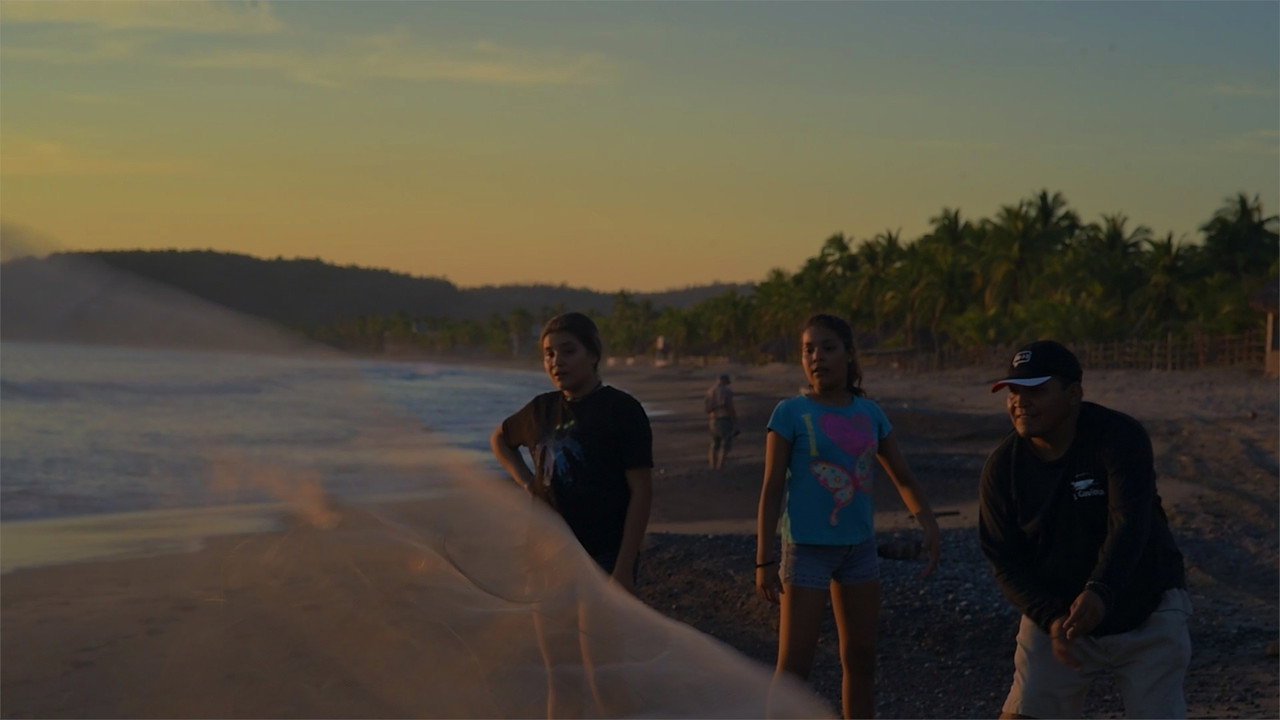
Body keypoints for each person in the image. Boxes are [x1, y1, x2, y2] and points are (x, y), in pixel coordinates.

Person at [979, 340, 1191, 719]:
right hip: (1059, 618)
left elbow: (1129, 522)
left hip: (1146, 606)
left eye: (1036, 391)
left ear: (1074, 393)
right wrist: (1051, 616)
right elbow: (1003, 560)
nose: (1020, 402)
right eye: (1013, 391)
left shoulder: (1119, 437)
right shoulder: (1002, 468)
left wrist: (1100, 590)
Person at [755, 313, 940, 719]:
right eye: (808, 350)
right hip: (805, 550)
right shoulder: (789, 413)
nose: (817, 357)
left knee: (860, 659)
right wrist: (764, 559)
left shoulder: (870, 412)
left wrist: (928, 522)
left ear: (849, 355)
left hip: (859, 550)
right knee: (794, 668)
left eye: (828, 347)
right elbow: (771, 489)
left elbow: (902, 476)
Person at [490, 312, 653, 593]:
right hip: (545, 546)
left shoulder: (622, 409)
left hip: (604, 552)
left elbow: (641, 490)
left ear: (592, 354)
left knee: (598, 636)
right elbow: (500, 439)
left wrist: (624, 567)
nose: (557, 362)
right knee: (551, 634)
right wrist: (527, 482)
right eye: (548, 354)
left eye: (568, 351)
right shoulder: (540, 409)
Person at [705, 373, 739, 469]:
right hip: (724, 418)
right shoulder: (726, 391)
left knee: (715, 443)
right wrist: (735, 420)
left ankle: (713, 465)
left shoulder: (710, 391)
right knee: (725, 443)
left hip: (712, 419)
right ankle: (721, 465)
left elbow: (707, 408)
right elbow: (729, 406)